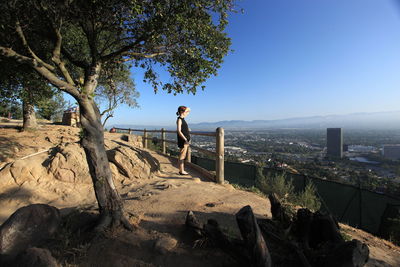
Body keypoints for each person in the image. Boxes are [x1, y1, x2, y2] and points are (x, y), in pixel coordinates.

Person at [176, 106, 191, 175]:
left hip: (184, 140)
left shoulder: (182, 119)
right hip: (183, 141)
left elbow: (189, 109)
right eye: (186, 112)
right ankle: (181, 171)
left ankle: (181, 170)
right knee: (182, 156)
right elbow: (179, 131)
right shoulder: (179, 120)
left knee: (183, 155)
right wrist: (185, 139)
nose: (188, 113)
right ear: (182, 112)